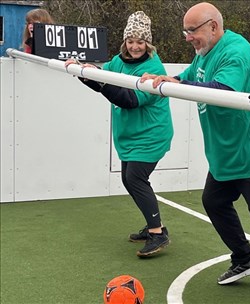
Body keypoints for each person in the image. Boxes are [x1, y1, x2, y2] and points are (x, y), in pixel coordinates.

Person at [140, 2, 250, 302]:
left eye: (192, 31)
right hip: (224, 154)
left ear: (213, 26)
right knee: (213, 201)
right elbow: (193, 74)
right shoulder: (205, 51)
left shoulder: (236, 50)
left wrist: (181, 84)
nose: (188, 37)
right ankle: (245, 257)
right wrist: (171, 80)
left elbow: (221, 91)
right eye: (185, 31)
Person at [64, 11, 173, 258]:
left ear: (148, 43)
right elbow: (101, 81)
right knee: (128, 178)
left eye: (140, 41)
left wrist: (97, 79)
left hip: (151, 134)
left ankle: (158, 233)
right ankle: (152, 224)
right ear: (125, 41)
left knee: (135, 177)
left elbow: (128, 100)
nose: (135, 46)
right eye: (131, 41)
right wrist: (82, 71)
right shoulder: (118, 61)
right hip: (129, 135)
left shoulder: (153, 68)